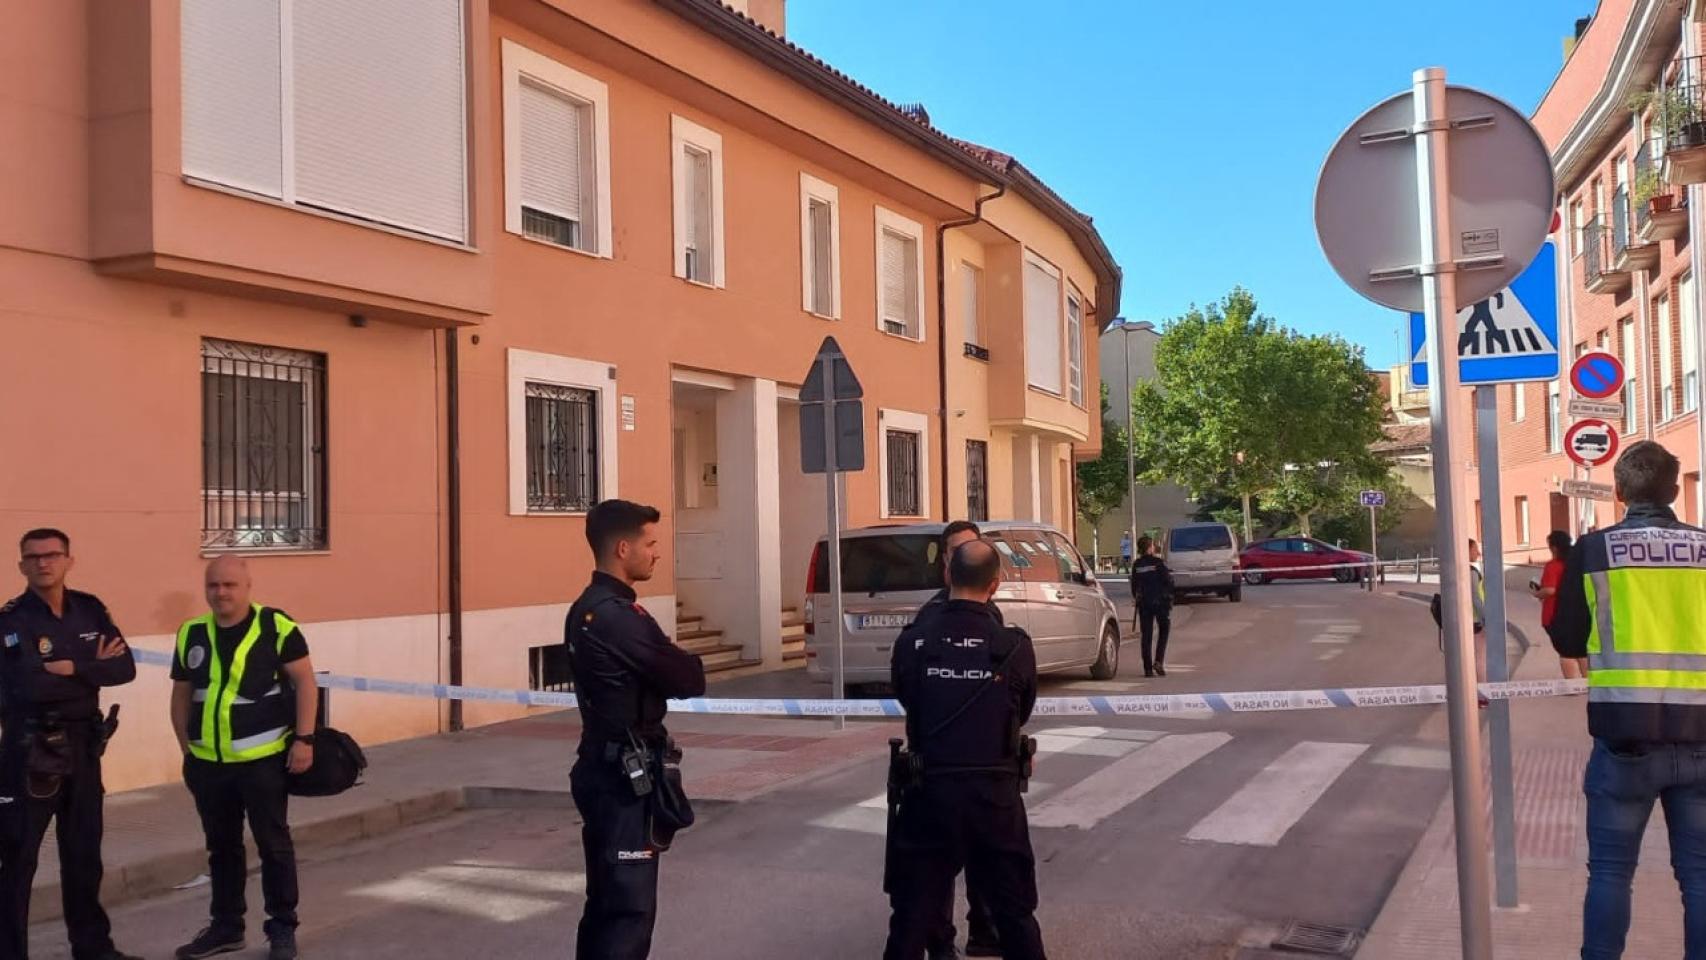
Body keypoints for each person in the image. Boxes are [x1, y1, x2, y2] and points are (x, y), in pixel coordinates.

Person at [1550, 441, 1706, 959]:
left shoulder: (1592, 551)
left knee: (1612, 872)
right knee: (1701, 876)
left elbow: (1569, 640)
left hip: (1625, 739)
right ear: (1673, 492)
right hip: (1703, 738)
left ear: (1619, 493)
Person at [884, 539, 1047, 960]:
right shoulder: (1013, 647)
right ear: (995, 586)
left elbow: (908, 699)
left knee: (911, 916)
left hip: (930, 792)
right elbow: (1021, 710)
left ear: (947, 576)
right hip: (995, 796)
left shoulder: (913, 642)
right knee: (1014, 914)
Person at [566, 499, 707, 959]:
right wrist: (680, 664)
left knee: (606, 905)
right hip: (622, 779)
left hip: (604, 767)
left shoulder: (587, 608)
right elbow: (688, 678)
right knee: (627, 911)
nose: (656, 554)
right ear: (622, 549)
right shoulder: (617, 618)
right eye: (650, 544)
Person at [0, 529, 139, 960]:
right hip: (30, 748)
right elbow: (22, 686)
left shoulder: (90, 609)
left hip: (83, 745)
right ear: (21, 565)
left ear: (69, 560)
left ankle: (93, 948)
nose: (43, 563)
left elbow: (125, 669)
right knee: (17, 860)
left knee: (84, 855)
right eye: (33, 557)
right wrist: (90, 667)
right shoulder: (11, 620)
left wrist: (71, 667)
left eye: (52, 555)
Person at [171, 556, 318, 960]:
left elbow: (305, 682)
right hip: (208, 764)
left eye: (230, 585)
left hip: (264, 761)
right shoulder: (191, 633)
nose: (221, 592)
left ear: (247, 586)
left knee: (273, 845)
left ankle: (282, 927)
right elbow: (182, 695)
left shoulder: (275, 626)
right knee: (222, 849)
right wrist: (188, 751)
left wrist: (304, 740)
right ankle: (226, 928)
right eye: (214, 585)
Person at [905, 520, 1001, 959]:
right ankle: (938, 941)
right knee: (935, 868)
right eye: (955, 552)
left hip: (989, 765)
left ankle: (984, 928)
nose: (963, 560)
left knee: (988, 859)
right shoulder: (926, 622)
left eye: (971, 550)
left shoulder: (994, 616)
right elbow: (912, 693)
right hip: (939, 767)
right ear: (945, 563)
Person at [1529, 530, 1585, 680]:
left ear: (1554, 547)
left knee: (1565, 651)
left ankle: (1572, 685)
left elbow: (1550, 590)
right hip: (1578, 611)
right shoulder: (1576, 564)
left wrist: (1537, 593)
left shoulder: (1553, 566)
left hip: (1555, 613)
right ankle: (1588, 684)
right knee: (1581, 649)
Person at [1128, 535, 1174, 678]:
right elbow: (1168, 581)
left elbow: (1134, 585)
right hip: (1160, 602)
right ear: (1150, 547)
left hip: (1144, 604)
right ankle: (1158, 661)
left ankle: (1147, 669)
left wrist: (1137, 597)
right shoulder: (1158, 563)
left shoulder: (1137, 564)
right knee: (1164, 630)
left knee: (1146, 636)